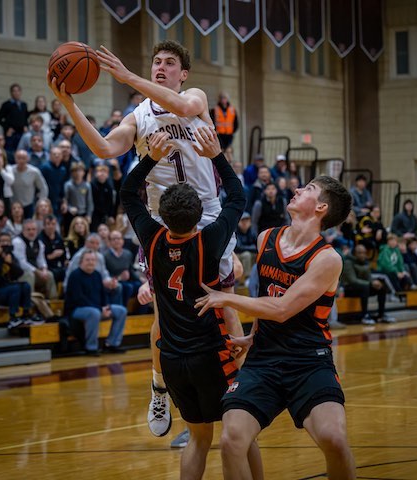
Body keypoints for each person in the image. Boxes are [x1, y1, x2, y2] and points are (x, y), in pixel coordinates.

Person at [50, 40, 244, 440]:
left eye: (169, 63)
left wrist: (126, 75)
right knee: (165, 314)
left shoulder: (195, 97)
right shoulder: (138, 116)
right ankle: (159, 385)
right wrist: (69, 103)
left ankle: (235, 384)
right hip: (160, 222)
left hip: (206, 214)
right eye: (156, 61)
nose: (161, 67)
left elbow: (186, 109)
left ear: (183, 73)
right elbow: (104, 148)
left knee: (221, 302)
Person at [194, 175, 356, 480]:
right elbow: (266, 295)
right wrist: (254, 336)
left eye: (308, 189)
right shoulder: (265, 238)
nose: (296, 190)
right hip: (264, 360)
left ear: (321, 207)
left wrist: (224, 299)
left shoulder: (327, 259)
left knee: (334, 439)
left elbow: (281, 309)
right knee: (231, 440)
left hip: (308, 361)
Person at [121, 128, 259, 478]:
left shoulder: (150, 239)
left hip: (173, 360)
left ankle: (157, 392)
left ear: (161, 216)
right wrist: (216, 154)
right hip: (210, 356)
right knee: (241, 435)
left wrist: (150, 158)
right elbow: (237, 198)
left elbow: (128, 193)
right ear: (201, 216)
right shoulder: (209, 242)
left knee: (198, 440)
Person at [64, 249, 128, 354]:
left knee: (121, 311)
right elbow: (79, 299)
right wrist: (100, 309)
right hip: (76, 310)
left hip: (97, 309)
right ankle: (91, 347)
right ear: (81, 262)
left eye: (93, 260)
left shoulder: (97, 274)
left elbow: (103, 295)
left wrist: (106, 306)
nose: (91, 262)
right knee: (94, 313)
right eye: (88, 260)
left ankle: (111, 344)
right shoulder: (75, 276)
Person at [0, 231, 36, 330]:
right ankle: (13, 317)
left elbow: (19, 273)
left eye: (7, 241)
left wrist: (11, 264)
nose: (5, 243)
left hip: (10, 290)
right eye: (2, 241)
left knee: (25, 285)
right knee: (15, 288)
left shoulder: (11, 257)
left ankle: (26, 314)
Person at [341, 244, 394, 325]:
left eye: (364, 253)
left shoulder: (365, 262)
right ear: (355, 253)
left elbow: (369, 277)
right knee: (365, 287)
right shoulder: (348, 262)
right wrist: (370, 283)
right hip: (349, 289)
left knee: (381, 287)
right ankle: (364, 316)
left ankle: (381, 315)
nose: (363, 255)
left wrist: (374, 282)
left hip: (363, 287)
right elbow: (352, 281)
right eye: (360, 253)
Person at [12, 219, 58, 299]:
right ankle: (31, 302)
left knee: (49, 275)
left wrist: (44, 270)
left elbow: (41, 259)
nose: (31, 232)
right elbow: (22, 263)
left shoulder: (39, 243)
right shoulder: (17, 242)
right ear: (23, 230)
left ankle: (53, 302)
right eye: (28, 229)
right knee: (30, 275)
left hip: (34, 272)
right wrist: (37, 272)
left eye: (33, 229)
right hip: (19, 274)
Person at [11, 149, 49, 219]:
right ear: (15, 159)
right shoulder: (10, 170)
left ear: (28, 159)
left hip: (29, 205)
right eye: (19, 158)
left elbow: (43, 187)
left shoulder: (34, 171)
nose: (21, 161)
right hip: (14, 206)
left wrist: (40, 202)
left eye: (24, 158)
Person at [0, 83, 29, 153]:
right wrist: (7, 128)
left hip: (21, 133)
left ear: (20, 92)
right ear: (11, 93)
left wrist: (26, 126)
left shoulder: (24, 105)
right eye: (14, 91)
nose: (16, 93)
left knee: (21, 151)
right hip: (11, 134)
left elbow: (25, 117)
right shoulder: (6, 104)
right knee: (10, 152)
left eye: (18, 91)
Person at [63, 162, 93, 233]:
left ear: (83, 172)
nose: (78, 173)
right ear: (72, 173)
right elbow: (65, 201)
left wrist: (89, 215)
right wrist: (69, 208)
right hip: (71, 214)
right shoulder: (68, 185)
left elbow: (89, 202)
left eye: (80, 171)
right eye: (75, 171)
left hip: (83, 213)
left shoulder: (87, 186)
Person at [38, 214, 67, 284]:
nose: (51, 226)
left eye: (53, 224)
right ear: (44, 226)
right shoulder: (40, 239)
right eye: (48, 224)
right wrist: (52, 256)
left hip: (60, 266)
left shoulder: (59, 238)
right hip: (47, 267)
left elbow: (64, 253)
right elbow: (39, 258)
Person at [234, 212, 257, 285]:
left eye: (247, 220)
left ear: (250, 222)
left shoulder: (252, 231)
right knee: (247, 255)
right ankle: (247, 278)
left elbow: (257, 246)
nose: (245, 223)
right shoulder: (235, 231)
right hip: (237, 254)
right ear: (238, 222)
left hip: (249, 253)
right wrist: (251, 248)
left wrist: (250, 248)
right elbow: (238, 247)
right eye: (242, 220)